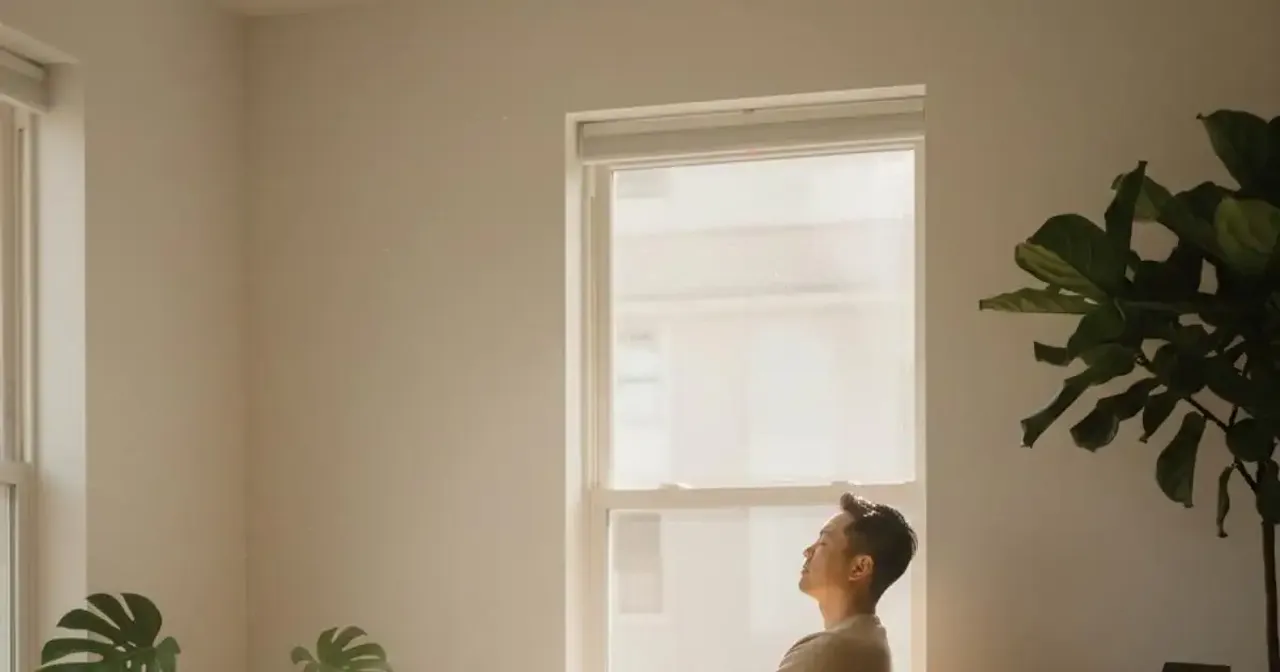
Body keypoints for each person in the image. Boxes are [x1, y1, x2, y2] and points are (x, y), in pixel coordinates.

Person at [776, 493, 917, 672]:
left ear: (859, 567)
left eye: (823, 543)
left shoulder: (826, 652)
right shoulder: (872, 640)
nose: (808, 551)